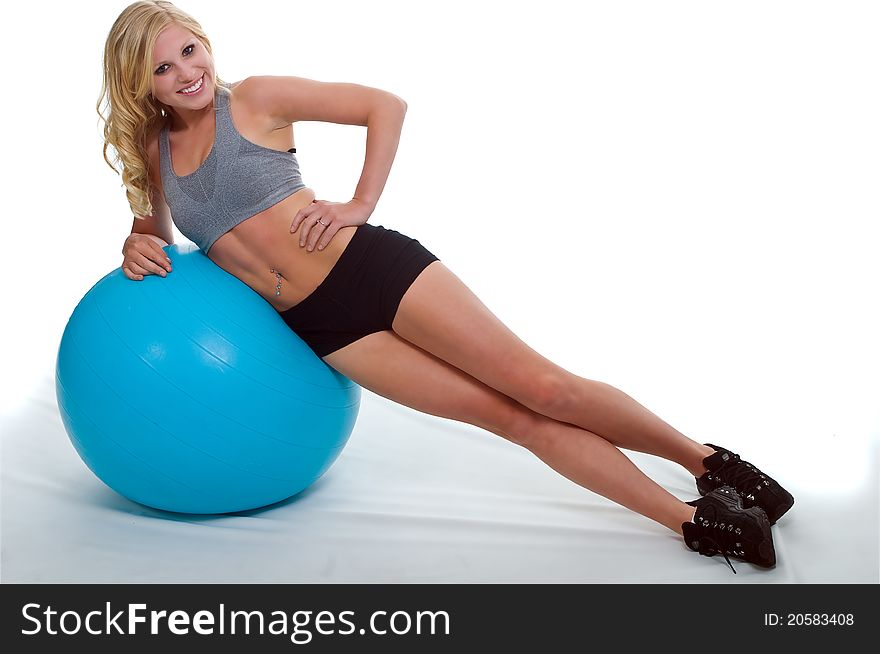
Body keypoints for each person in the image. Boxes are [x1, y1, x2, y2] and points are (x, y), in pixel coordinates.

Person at [99, 1, 793, 573]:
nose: (186, 71)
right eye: (163, 66)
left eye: (190, 50)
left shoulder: (255, 98)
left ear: (206, 45)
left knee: (547, 389)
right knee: (511, 420)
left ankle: (708, 462)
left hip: (376, 271)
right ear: (141, 83)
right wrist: (137, 241)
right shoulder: (153, 160)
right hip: (330, 331)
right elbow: (154, 235)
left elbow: (384, 106)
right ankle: (695, 525)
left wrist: (359, 203)